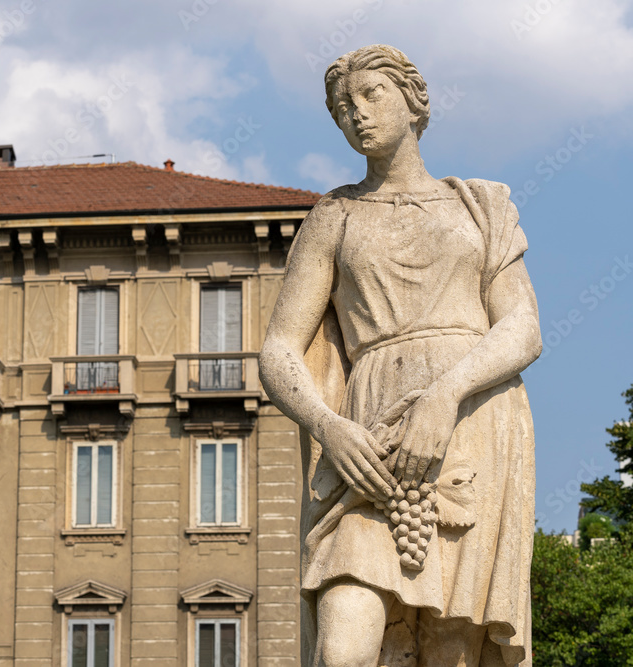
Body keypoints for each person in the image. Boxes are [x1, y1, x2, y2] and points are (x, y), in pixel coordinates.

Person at [259, 44, 540, 667]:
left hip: (473, 422)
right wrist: (326, 426)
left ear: (414, 102)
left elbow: (522, 328)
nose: (355, 115)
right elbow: (279, 348)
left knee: (451, 643)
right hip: (369, 442)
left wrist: (446, 395)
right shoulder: (333, 216)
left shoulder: (480, 204)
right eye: (341, 108)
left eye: (370, 96)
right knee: (344, 643)